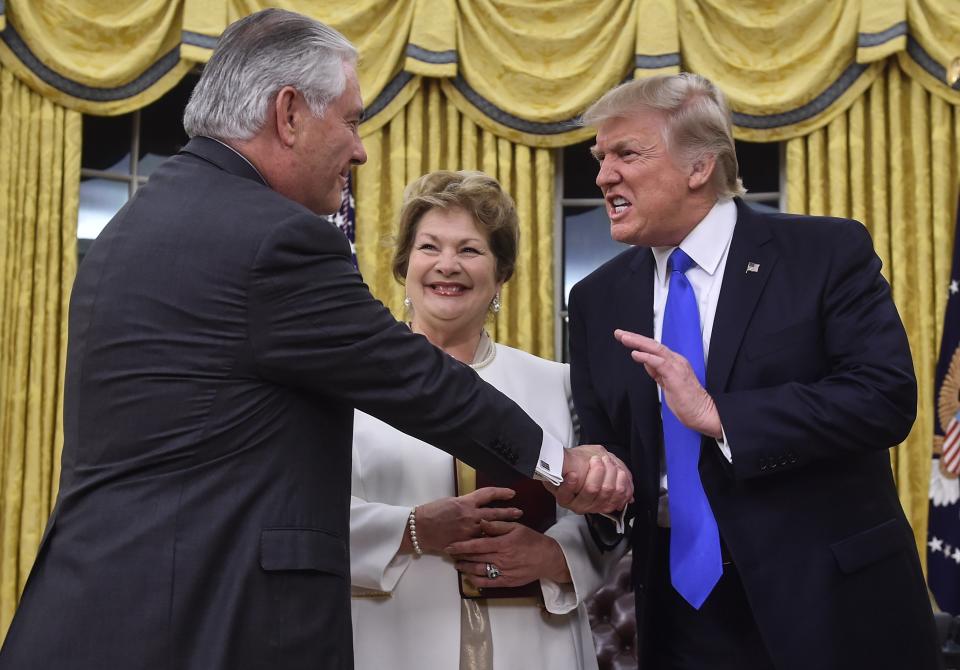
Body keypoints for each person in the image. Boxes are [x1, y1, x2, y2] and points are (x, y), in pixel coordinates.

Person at [0, 10, 631, 670]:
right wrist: (564, 467)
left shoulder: (132, 227)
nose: (360, 150)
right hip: (203, 621)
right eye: (353, 119)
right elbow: (414, 378)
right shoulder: (275, 236)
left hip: (100, 609)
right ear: (290, 112)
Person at [568, 72, 942, 670]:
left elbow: (884, 397)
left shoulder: (825, 253)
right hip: (680, 617)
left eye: (625, 154)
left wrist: (721, 417)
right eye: (600, 157)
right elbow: (612, 444)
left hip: (831, 606)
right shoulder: (596, 300)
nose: (604, 175)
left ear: (700, 167)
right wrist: (596, 473)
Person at [349, 170, 622, 670]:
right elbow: (304, 515)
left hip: (536, 643)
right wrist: (411, 529)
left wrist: (554, 557)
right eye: (430, 247)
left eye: (470, 250)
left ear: (500, 274)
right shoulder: (345, 384)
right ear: (404, 265)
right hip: (393, 638)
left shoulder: (557, 383)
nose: (447, 266)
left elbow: (603, 517)